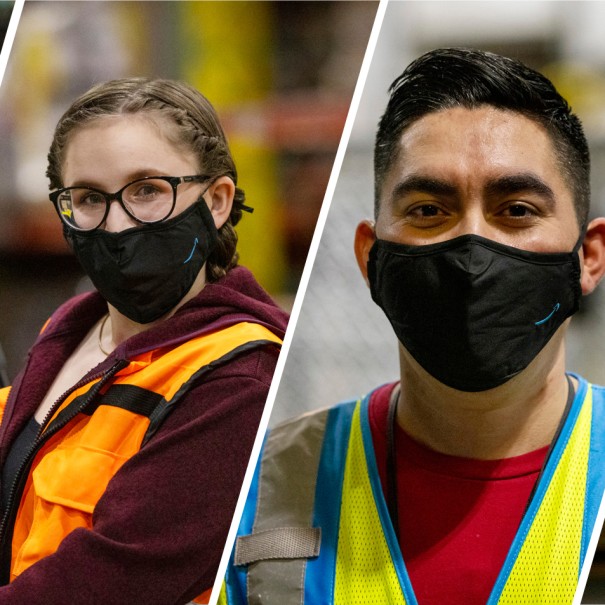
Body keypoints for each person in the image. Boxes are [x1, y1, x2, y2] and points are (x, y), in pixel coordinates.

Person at [220, 48, 605, 605]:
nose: (472, 249)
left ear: (589, 257)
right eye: (429, 211)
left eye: (517, 210)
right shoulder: (256, 493)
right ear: (371, 259)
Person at [0, 78, 288, 604]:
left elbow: (105, 583)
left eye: (148, 191)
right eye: (88, 198)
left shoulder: (237, 383)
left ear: (218, 200)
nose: (116, 225)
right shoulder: (66, 333)